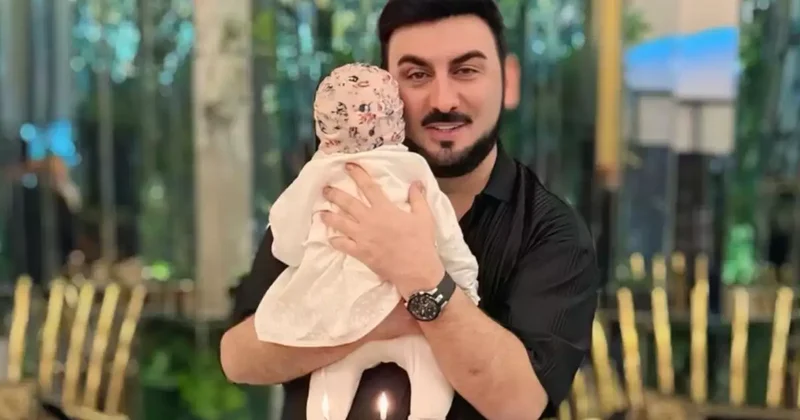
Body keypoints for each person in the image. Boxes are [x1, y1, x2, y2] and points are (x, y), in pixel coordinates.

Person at [220, 0, 600, 418]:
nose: (443, 99)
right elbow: (238, 357)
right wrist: (379, 320)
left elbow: (519, 403)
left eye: (466, 70)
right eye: (417, 75)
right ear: (386, 87)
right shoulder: (334, 186)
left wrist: (420, 279)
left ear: (508, 81)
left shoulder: (551, 231)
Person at [256, 63, 481, 420]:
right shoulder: (412, 169)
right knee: (431, 373)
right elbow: (446, 231)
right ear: (396, 118)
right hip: (408, 309)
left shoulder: (318, 172)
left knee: (330, 382)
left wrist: (299, 251)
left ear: (323, 126)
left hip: (339, 315)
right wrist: (465, 281)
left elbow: (286, 232)